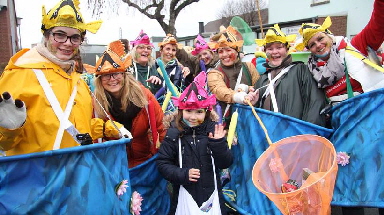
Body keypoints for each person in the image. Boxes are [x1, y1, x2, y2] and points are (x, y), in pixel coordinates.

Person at [0, 0, 129, 155]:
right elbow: (4, 144)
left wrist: (111, 128)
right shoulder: (19, 74)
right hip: (39, 176)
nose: (68, 43)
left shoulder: (76, 79)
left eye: (75, 37)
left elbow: (75, 127)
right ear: (46, 36)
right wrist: (8, 129)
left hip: (77, 171)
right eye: (60, 35)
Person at [156, 71, 233, 215]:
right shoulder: (173, 134)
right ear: (181, 111)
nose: (193, 117)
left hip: (212, 194)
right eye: (188, 111)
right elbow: (163, 163)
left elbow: (225, 163)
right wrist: (182, 174)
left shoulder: (212, 131)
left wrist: (219, 144)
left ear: (207, 112)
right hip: (184, 194)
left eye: (199, 112)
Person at [297, 0, 384, 105]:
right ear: (310, 50)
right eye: (312, 45)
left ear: (330, 36)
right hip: (342, 119)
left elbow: (378, 24)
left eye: (320, 39)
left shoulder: (354, 46)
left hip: (374, 109)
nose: (318, 45)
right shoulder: (311, 71)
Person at [94, 45, 166, 168]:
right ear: (99, 80)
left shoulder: (143, 96)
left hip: (146, 162)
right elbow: (93, 135)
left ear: (124, 75)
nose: (112, 79)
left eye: (116, 74)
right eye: (106, 75)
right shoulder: (96, 102)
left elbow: (161, 127)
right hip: (114, 165)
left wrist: (166, 158)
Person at [252, 24, 327, 127]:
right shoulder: (262, 79)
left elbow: (315, 104)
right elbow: (255, 115)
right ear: (265, 52)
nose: (274, 52)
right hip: (270, 139)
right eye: (270, 48)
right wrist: (253, 102)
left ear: (287, 49)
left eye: (279, 47)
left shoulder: (301, 70)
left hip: (295, 137)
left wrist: (307, 135)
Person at [207, 25, 260, 125]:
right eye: (221, 51)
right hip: (224, 124)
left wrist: (249, 89)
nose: (224, 54)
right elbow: (220, 91)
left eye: (228, 50)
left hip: (248, 122)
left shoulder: (249, 67)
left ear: (237, 51)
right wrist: (241, 97)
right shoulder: (214, 73)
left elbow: (258, 88)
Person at [128, 30, 162, 94]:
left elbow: (161, 92)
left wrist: (157, 83)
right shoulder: (127, 67)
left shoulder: (154, 67)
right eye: (141, 47)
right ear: (134, 51)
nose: (146, 50)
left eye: (149, 48)